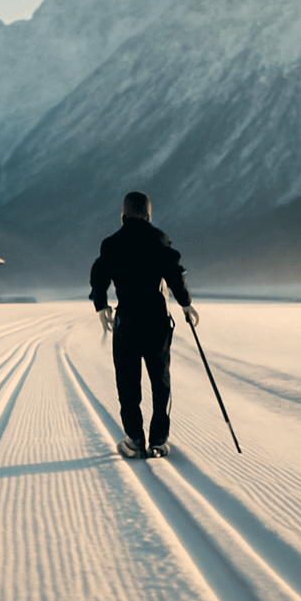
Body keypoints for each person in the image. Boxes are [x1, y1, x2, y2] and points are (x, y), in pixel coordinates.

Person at [89, 191, 199, 458]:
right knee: (160, 380)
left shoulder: (111, 244)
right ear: (149, 214)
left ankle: (134, 439)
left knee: (127, 382)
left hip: (126, 320)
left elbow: (99, 276)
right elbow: (174, 273)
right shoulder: (160, 239)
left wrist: (101, 305)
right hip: (157, 321)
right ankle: (159, 440)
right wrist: (185, 303)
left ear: (123, 215)